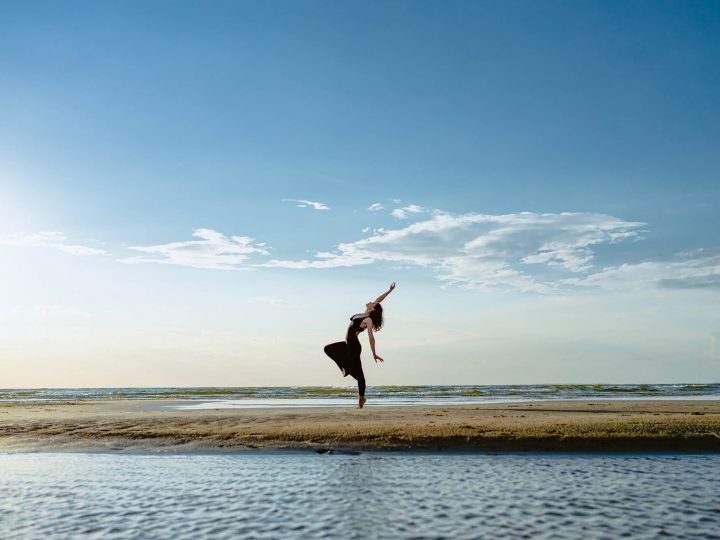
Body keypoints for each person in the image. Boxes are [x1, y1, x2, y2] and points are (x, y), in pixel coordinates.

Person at [324, 282, 396, 408]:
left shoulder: (368, 320)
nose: (371, 301)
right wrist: (389, 291)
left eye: (373, 303)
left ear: (373, 308)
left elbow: (371, 337)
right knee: (328, 349)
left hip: (354, 346)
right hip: (348, 343)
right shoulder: (365, 313)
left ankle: (361, 397)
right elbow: (379, 300)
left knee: (360, 375)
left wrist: (374, 353)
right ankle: (347, 370)